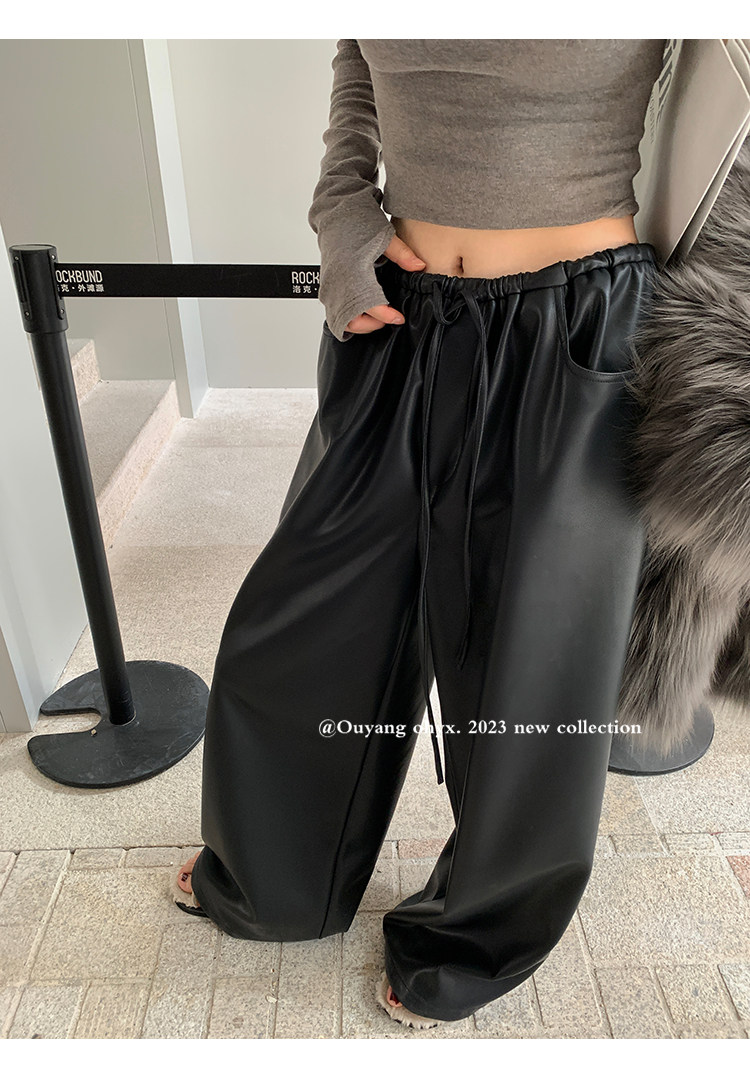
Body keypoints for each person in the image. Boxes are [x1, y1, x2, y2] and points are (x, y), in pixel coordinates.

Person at [173, 39, 668, 1030]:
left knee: (530, 662)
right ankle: (278, 870)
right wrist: (343, 217)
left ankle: (478, 933)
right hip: (400, 313)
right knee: (307, 617)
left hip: (578, 326)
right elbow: (357, 67)